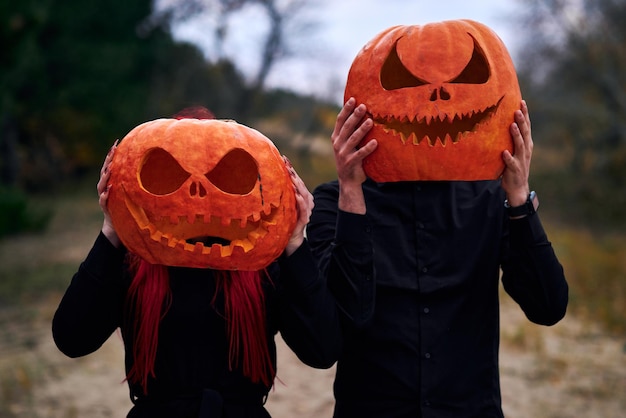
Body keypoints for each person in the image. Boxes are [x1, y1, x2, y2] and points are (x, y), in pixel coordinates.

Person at [52, 119, 341, 418]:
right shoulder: (133, 261)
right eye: (168, 173)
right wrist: (112, 230)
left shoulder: (263, 264)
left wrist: (295, 243)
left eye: (223, 173)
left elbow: (321, 350)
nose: (197, 193)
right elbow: (72, 339)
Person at [307, 97, 569, 418]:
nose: (431, 101)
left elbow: (547, 307)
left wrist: (518, 199)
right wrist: (351, 191)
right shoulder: (335, 200)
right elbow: (335, 327)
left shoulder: (489, 195)